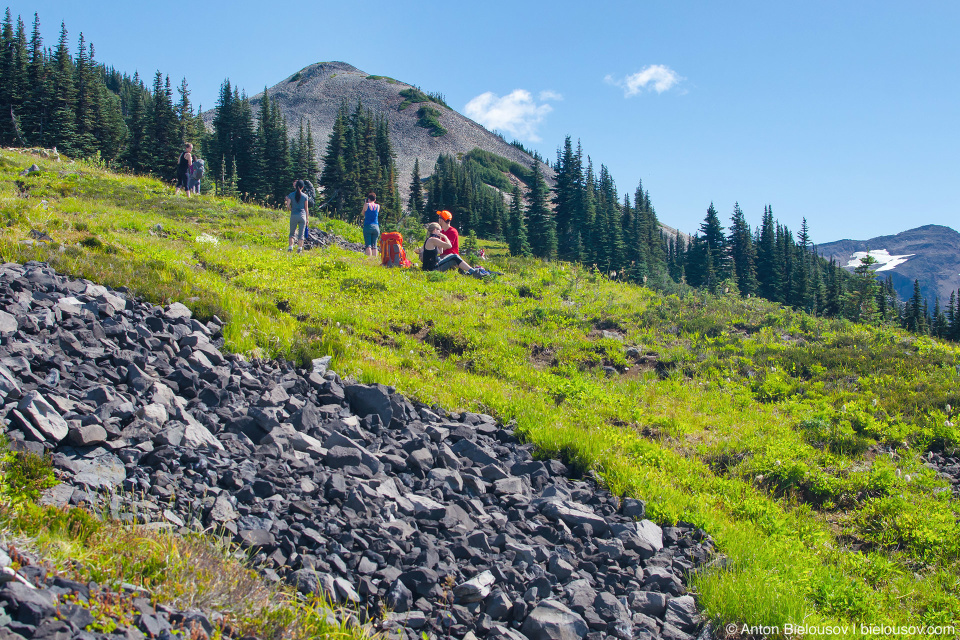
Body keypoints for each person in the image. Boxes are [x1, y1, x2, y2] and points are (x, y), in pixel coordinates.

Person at [415, 223, 484, 276]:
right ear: (435, 230)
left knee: (453, 258)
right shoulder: (433, 240)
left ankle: (469, 271)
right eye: (439, 230)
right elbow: (449, 246)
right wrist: (445, 237)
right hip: (432, 269)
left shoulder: (430, 239)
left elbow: (440, 251)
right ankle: (473, 271)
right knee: (454, 256)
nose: (441, 231)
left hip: (429, 267)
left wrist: (440, 239)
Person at [285, 180, 309, 253]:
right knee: (301, 234)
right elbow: (306, 208)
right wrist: (307, 218)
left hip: (294, 215)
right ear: (302, 187)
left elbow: (288, 205)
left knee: (292, 233)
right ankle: (299, 249)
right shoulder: (305, 196)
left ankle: (290, 248)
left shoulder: (291, 195)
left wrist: (291, 209)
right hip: (302, 216)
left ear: (296, 186)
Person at [362, 192, 381, 257]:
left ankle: (369, 259)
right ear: (375, 199)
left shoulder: (366, 205)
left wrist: (365, 203)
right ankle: (375, 259)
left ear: (368, 199)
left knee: (368, 245)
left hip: (368, 226)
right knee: (374, 245)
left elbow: (363, 213)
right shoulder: (378, 206)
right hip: (376, 227)